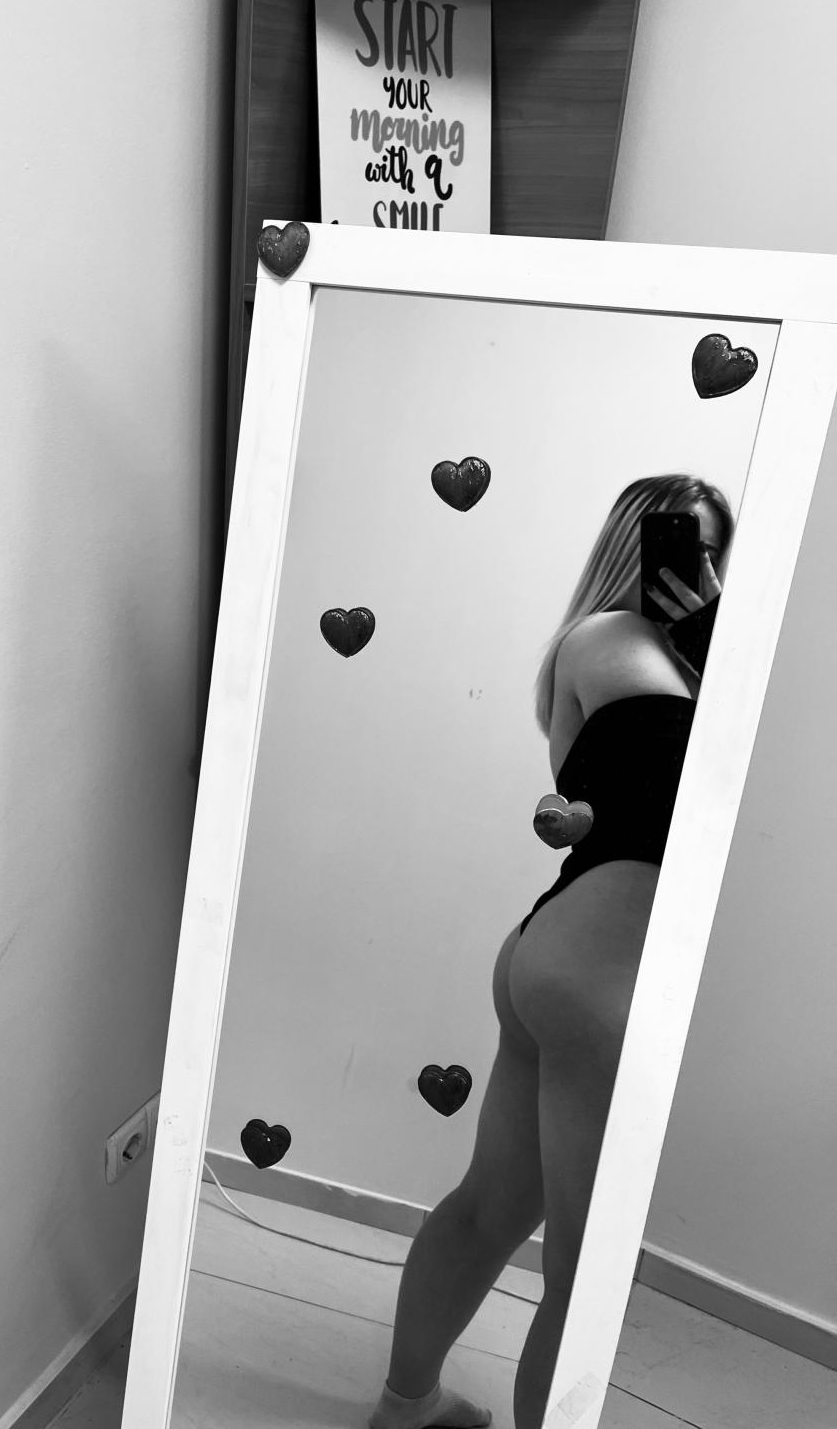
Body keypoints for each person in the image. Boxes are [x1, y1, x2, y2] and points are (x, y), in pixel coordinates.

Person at [369, 474, 733, 1429]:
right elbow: (723, 732)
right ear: (635, 545)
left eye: (712, 549)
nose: (696, 567)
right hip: (597, 968)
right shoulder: (618, 641)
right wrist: (705, 623)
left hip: (565, 953)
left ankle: (408, 1409)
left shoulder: (641, 655)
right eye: (680, 542)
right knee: (584, 1270)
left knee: (490, 1208)